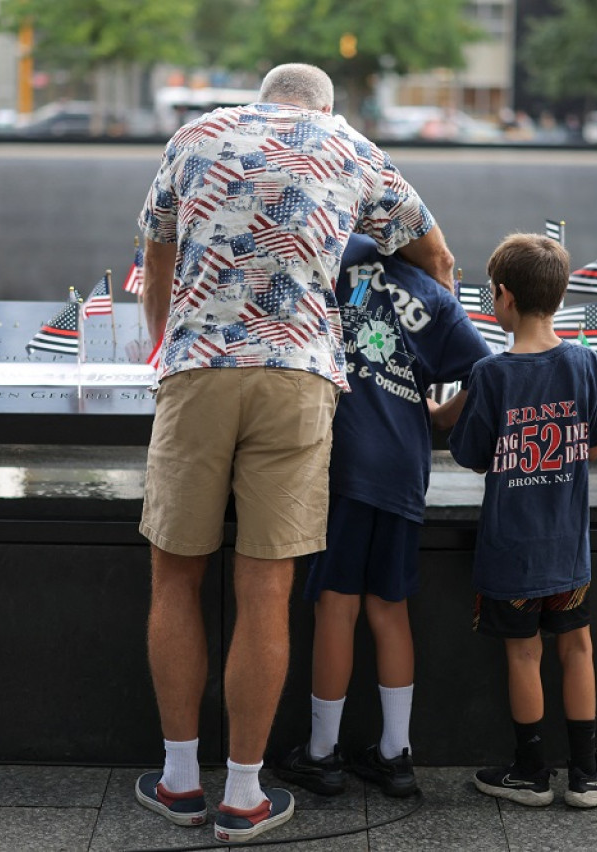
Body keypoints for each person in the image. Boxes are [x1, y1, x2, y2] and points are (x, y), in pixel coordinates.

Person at [134, 63, 454, 843]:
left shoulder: (196, 134)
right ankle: (244, 796)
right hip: (299, 377)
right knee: (267, 590)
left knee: (176, 577)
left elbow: (157, 259)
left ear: (263, 97)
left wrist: (162, 344)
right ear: (324, 106)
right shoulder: (353, 149)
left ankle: (180, 781)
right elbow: (437, 261)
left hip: (199, 369)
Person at [273, 234, 490, 800]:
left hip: (342, 464)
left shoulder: (334, 254)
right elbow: (488, 372)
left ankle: (322, 755)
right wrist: (442, 416)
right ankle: (396, 755)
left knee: (335, 607)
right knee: (390, 608)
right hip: (403, 468)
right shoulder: (433, 293)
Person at [447, 233, 597, 809]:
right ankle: (587, 773)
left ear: (502, 297)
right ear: (557, 297)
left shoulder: (490, 373)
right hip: (567, 550)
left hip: (509, 551)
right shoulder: (583, 363)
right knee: (577, 648)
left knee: (522, 654)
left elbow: (473, 454)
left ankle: (530, 773)